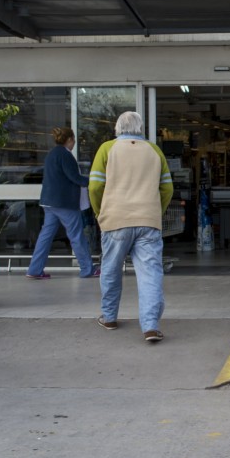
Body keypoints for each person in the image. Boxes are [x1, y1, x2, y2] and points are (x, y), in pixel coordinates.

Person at [88, 111, 173, 343]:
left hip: (115, 219)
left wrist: (99, 212)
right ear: (140, 128)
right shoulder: (154, 150)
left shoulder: (107, 149)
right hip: (148, 221)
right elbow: (167, 188)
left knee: (111, 269)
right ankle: (150, 326)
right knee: (150, 273)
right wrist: (155, 211)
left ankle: (109, 317)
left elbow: (94, 187)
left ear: (117, 128)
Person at [26, 127, 99, 280]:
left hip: (49, 202)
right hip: (64, 203)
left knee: (45, 236)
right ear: (70, 139)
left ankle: (35, 269)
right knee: (76, 235)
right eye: (74, 140)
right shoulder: (65, 155)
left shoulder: (51, 154)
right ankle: (87, 269)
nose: (74, 143)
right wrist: (93, 181)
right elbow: (75, 177)